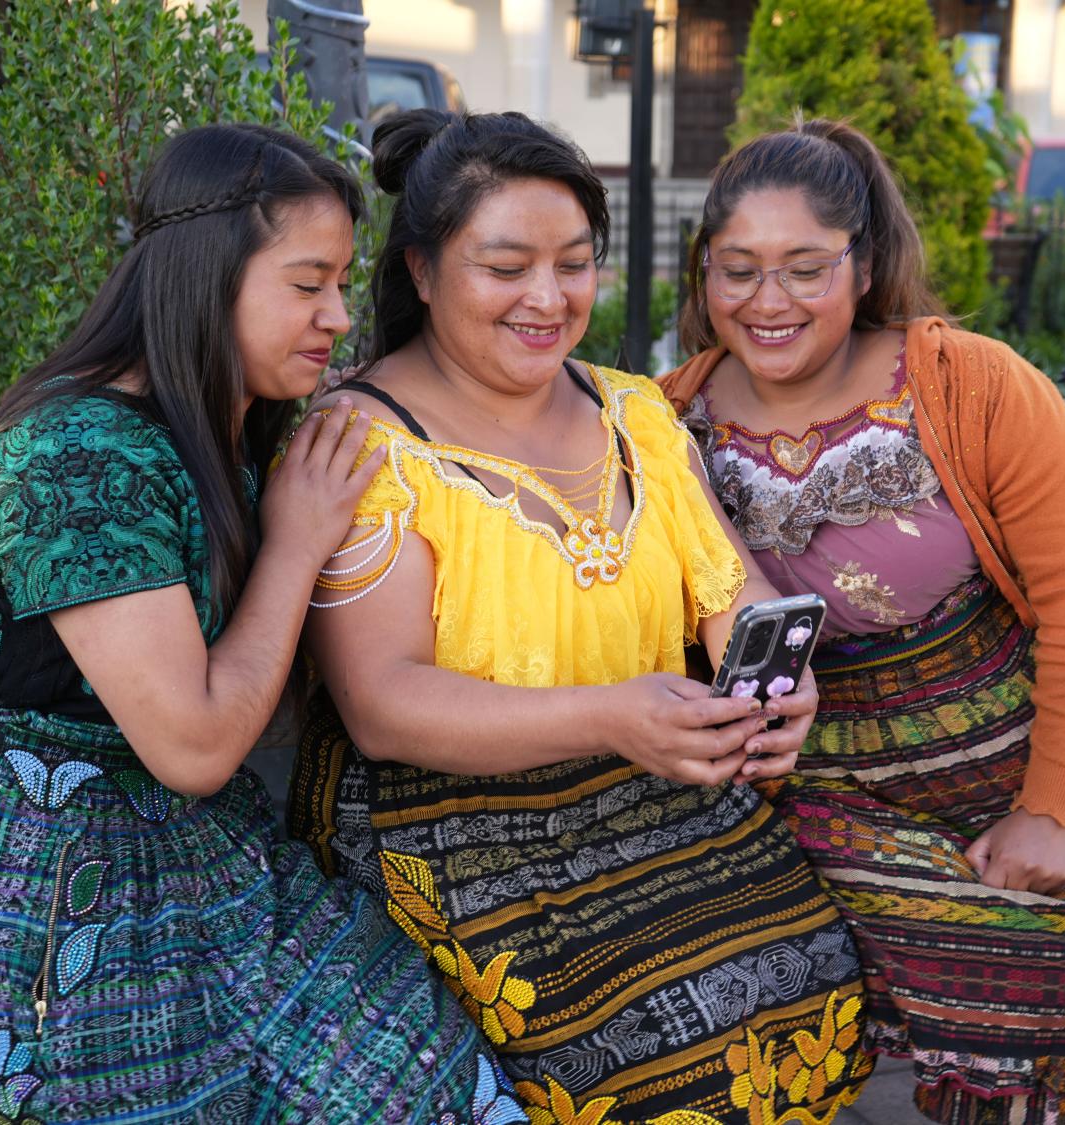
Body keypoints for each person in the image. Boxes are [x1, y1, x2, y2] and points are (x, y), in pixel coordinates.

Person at [655, 119, 1065, 1125]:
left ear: (861, 265)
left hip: (1023, 740)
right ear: (702, 274)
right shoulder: (667, 421)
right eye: (734, 270)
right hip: (823, 784)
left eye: (802, 269)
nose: (765, 302)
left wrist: (1050, 809)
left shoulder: (969, 386)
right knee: (975, 941)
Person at [0, 123, 518, 1124]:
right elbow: (196, 746)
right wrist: (295, 545)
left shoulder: (221, 423)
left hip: (200, 850)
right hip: (32, 882)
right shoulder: (74, 459)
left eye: (342, 283)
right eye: (307, 285)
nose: (336, 316)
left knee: (432, 1080)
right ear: (206, 276)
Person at [288, 108, 872, 1122]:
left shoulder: (631, 411)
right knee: (648, 1056)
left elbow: (731, 595)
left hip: (648, 791)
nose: (548, 298)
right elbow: (381, 704)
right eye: (505, 267)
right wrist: (609, 714)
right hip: (448, 823)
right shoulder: (366, 444)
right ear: (421, 270)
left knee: (810, 977)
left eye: (573, 262)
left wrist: (776, 683)